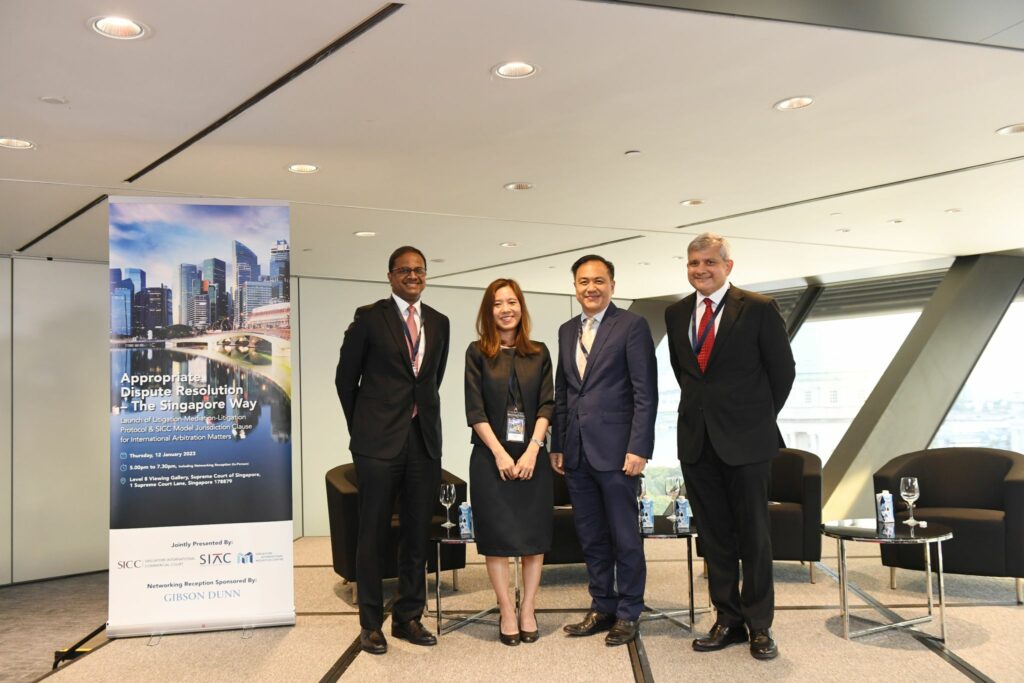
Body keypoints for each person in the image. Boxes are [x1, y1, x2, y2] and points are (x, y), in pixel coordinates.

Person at [664, 232, 795, 661]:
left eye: (709, 262)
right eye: (693, 263)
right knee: (715, 536)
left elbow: (782, 373)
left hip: (748, 442)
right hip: (697, 442)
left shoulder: (757, 308)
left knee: (754, 536)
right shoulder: (676, 312)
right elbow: (687, 375)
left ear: (728, 266)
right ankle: (728, 618)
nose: (700, 269)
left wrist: (753, 419)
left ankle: (760, 625)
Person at [335, 245, 450, 655]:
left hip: (423, 443)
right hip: (377, 445)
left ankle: (408, 617)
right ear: (390, 276)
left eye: (419, 270)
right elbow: (345, 380)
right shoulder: (369, 319)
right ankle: (370, 623)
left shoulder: (440, 322)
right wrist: (363, 429)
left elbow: (431, 381)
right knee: (374, 534)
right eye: (405, 270)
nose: (413, 276)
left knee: (418, 533)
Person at [551, 255, 658, 647]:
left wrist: (639, 447)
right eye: (583, 281)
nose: (590, 288)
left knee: (624, 535)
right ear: (574, 287)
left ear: (612, 284)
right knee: (591, 535)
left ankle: (629, 610)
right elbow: (563, 393)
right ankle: (602, 604)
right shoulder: (565, 331)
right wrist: (558, 445)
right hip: (576, 453)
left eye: (598, 280)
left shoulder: (631, 326)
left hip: (618, 452)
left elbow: (646, 391)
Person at [464, 278, 555, 646]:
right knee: (498, 540)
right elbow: (475, 409)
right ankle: (505, 608)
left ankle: (528, 607)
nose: (506, 309)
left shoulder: (540, 352)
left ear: (521, 307)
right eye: (498, 303)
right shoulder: (476, 352)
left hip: (534, 456)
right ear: (489, 311)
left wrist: (533, 449)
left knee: (534, 539)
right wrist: (500, 453)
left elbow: (549, 404)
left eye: (512, 302)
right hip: (490, 459)